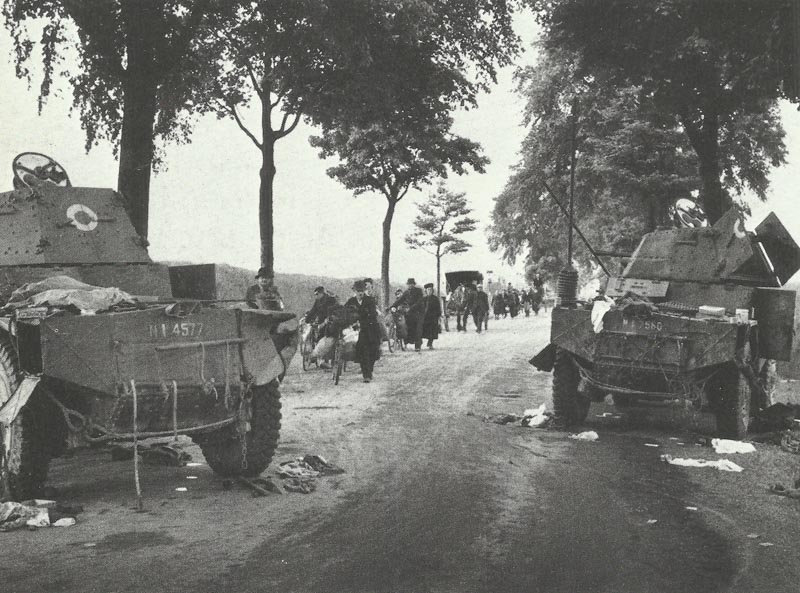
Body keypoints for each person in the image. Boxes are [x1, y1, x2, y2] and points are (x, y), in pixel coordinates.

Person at [345, 280, 381, 382]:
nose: (360, 293)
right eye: (358, 291)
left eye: (362, 291)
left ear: (364, 291)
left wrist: (362, 321)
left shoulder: (370, 300)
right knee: (363, 351)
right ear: (354, 291)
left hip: (371, 328)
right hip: (357, 331)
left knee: (373, 352)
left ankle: (369, 370)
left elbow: (373, 315)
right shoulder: (351, 301)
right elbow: (345, 312)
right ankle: (367, 375)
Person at [391, 277, 424, 352]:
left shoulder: (419, 291)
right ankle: (411, 342)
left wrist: (411, 308)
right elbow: (400, 300)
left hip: (419, 312)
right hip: (410, 312)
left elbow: (419, 302)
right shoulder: (406, 292)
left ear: (414, 284)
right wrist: (392, 306)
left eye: (411, 284)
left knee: (418, 328)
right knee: (409, 327)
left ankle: (417, 346)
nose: (410, 286)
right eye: (408, 284)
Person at [421, 283, 442, 349]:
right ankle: (420, 342)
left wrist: (438, 316)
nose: (429, 291)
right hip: (425, 317)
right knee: (422, 330)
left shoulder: (435, 299)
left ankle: (430, 343)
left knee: (432, 332)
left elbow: (438, 308)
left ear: (432, 291)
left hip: (433, 318)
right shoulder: (424, 299)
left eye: (430, 290)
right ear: (426, 291)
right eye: (428, 290)